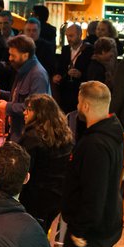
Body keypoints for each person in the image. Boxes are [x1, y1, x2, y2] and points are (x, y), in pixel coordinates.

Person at [62, 81, 124, 247]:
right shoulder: (113, 132)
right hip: (106, 224)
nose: (77, 106)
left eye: (79, 102)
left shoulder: (94, 144)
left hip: (90, 234)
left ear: (86, 106)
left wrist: (79, 231)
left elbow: (94, 193)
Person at [19, 94, 75, 233]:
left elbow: (22, 172)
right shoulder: (66, 135)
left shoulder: (32, 137)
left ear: (40, 113)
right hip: (59, 199)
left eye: (29, 109)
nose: (24, 112)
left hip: (36, 203)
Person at [0, 35, 50, 142]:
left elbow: (35, 108)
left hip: (28, 137)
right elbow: (20, 96)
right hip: (18, 132)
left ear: (25, 55)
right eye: (9, 54)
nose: (9, 58)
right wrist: (1, 93)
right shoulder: (22, 69)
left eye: (13, 55)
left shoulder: (38, 75)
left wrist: (7, 106)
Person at [52, 23, 92, 113]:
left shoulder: (88, 50)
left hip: (80, 90)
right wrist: (57, 75)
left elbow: (91, 71)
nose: (68, 39)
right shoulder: (65, 49)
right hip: (65, 90)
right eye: (67, 36)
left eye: (71, 36)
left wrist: (81, 75)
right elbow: (60, 67)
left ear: (80, 35)